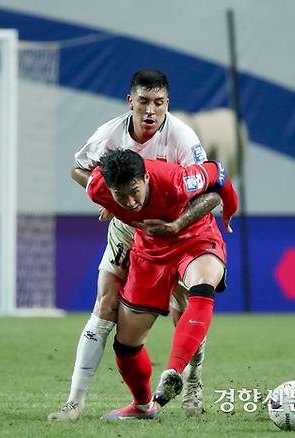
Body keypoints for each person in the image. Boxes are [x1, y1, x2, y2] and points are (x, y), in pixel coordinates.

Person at [49, 69, 220, 421]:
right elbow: (78, 169)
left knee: (183, 305)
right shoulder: (109, 134)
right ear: (131, 101)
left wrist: (177, 223)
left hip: (176, 232)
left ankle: (192, 383)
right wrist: (109, 197)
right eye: (143, 102)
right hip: (127, 229)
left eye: (158, 103)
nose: (150, 111)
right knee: (105, 302)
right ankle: (74, 403)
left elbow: (211, 194)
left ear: (167, 104)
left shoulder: (183, 139)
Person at [89, 149, 237, 419]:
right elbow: (80, 172)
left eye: (135, 190)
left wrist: (230, 209)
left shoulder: (177, 180)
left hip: (194, 237)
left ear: (145, 177)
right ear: (108, 189)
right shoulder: (98, 188)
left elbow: (219, 174)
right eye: (120, 196)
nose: (130, 201)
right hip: (150, 253)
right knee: (126, 344)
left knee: (203, 282)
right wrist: (111, 203)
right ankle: (143, 406)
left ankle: (174, 372)